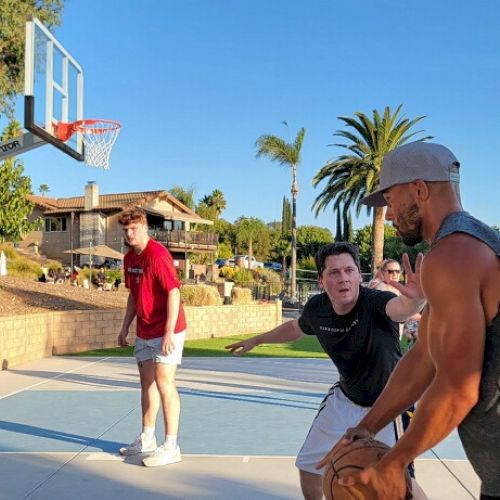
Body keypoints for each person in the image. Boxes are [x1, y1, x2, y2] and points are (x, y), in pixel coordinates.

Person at [320, 142, 500, 499]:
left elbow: (458, 388)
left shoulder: (454, 255)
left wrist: (394, 462)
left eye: (390, 199)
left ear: (419, 189)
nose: (387, 215)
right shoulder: (466, 246)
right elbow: (423, 358)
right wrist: (368, 426)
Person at [226, 242, 426, 500]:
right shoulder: (317, 309)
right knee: (309, 465)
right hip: (346, 398)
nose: (343, 278)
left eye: (349, 270)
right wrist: (257, 340)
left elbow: (402, 309)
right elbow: (295, 329)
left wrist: (418, 298)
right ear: (321, 280)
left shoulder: (377, 301)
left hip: (388, 404)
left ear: (358, 275)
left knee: (401, 479)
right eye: (334, 272)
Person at [117, 208, 187, 467]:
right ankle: (148, 438)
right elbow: (134, 296)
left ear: (145, 227)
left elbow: (174, 293)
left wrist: (168, 332)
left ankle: (171, 446)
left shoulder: (157, 255)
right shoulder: (128, 260)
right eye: (126, 230)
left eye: (134, 228)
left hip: (168, 328)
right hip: (145, 330)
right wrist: (125, 327)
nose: (130, 233)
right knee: (146, 383)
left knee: (164, 382)